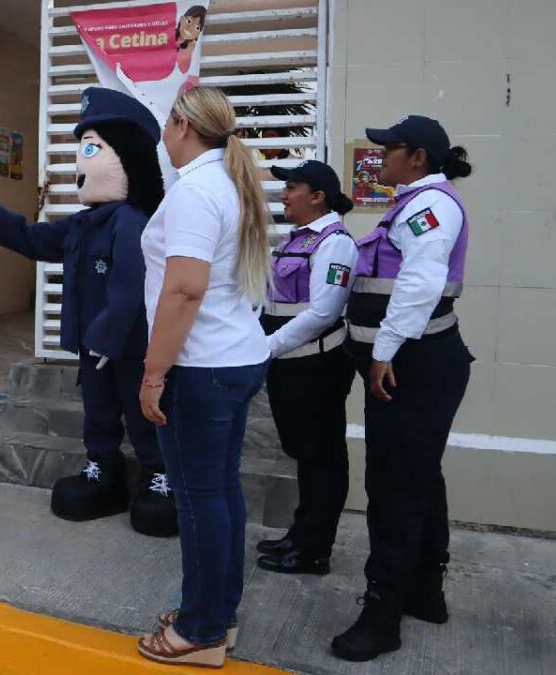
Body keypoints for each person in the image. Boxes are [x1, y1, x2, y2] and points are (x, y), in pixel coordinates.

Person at [0, 87, 177, 537]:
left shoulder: (132, 223)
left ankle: (159, 474)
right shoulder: (84, 223)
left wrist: (106, 337)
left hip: (130, 345)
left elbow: (129, 287)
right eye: (82, 150)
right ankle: (102, 468)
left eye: (92, 149)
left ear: (126, 159)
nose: (80, 164)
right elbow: (36, 240)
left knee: (143, 412)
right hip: (93, 345)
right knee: (98, 411)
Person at [135, 86, 271, 668]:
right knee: (219, 492)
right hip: (234, 357)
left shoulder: (195, 190)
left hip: (200, 366)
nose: (163, 138)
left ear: (183, 126)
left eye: (166, 126)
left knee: (198, 499)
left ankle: (201, 630)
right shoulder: (227, 182)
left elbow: (185, 289)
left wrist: (153, 372)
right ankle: (218, 614)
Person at [332, 115, 474, 662]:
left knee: (394, 488)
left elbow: (419, 284)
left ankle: (382, 615)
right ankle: (424, 591)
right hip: (415, 362)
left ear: (417, 157)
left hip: (412, 364)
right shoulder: (413, 203)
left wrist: (383, 352)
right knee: (419, 478)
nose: (379, 156)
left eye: (389, 148)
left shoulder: (429, 205)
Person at [255, 160, 358, 576]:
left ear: (318, 197)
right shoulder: (296, 239)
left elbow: (323, 312)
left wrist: (266, 347)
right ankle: (300, 535)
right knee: (304, 455)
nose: (284, 194)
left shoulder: (336, 244)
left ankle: (314, 550)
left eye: (293, 187)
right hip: (290, 366)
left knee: (322, 459)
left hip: (316, 368)